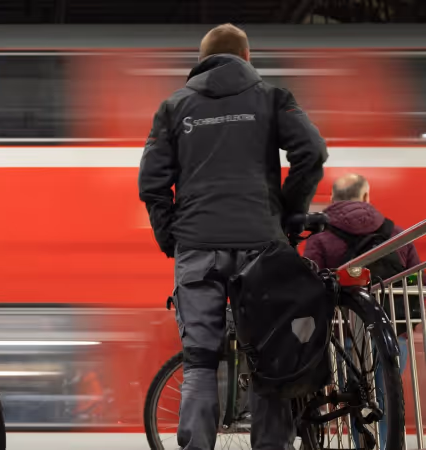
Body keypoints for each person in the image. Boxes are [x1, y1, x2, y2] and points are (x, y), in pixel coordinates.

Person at [138, 23, 327, 450]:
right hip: (262, 244)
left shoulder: (174, 106)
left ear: (201, 61)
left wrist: (170, 236)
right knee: (269, 357)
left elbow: (151, 182)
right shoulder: (272, 97)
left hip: (197, 246)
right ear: (246, 58)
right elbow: (311, 151)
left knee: (200, 362)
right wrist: (287, 212)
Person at [303, 173, 420, 450]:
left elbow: (308, 286)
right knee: (388, 400)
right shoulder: (397, 233)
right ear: (366, 196)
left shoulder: (319, 238)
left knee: (356, 402)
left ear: (333, 199)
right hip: (391, 333)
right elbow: (416, 282)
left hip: (343, 338)